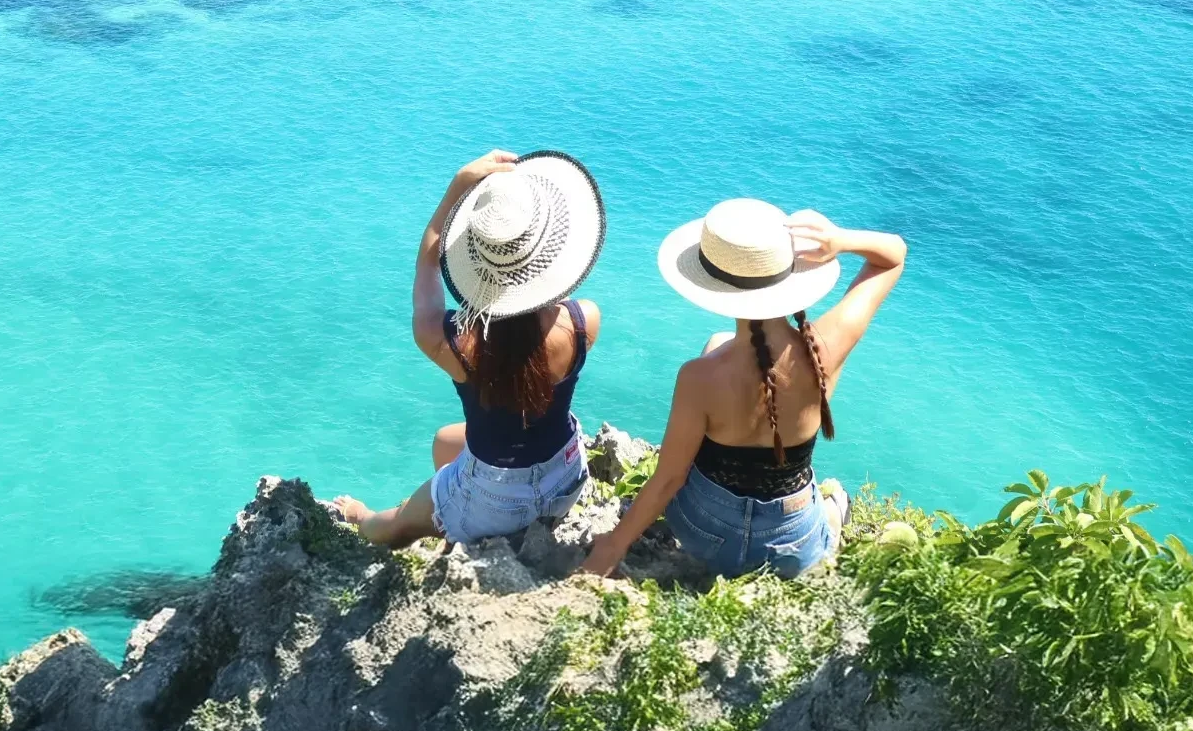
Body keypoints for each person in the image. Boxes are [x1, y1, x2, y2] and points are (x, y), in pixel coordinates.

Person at [579, 198, 905, 580]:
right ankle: (832, 515)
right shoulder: (827, 347)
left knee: (716, 347)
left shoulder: (698, 378)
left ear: (715, 287)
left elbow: (669, 479)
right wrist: (838, 240)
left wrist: (614, 545)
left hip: (704, 534)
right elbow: (893, 255)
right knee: (832, 501)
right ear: (789, 278)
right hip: (792, 546)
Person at [332, 149, 605, 548]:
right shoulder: (584, 321)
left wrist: (455, 190)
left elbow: (427, 264)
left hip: (499, 504)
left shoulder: (453, 344)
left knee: (393, 526)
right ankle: (459, 501)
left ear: (476, 264)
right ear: (548, 257)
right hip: (564, 477)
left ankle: (364, 518)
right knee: (446, 441)